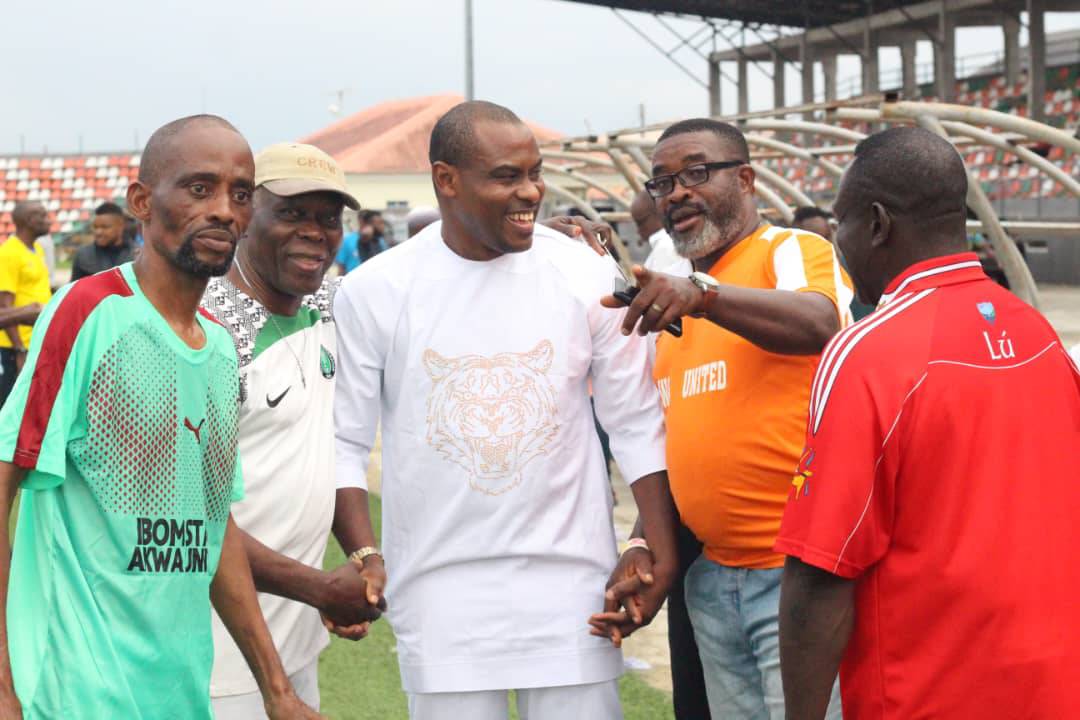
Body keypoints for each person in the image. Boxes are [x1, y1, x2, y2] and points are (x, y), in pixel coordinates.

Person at [333, 100, 678, 720]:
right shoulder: (375, 290)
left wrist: (654, 540)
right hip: (438, 593)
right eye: (505, 176)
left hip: (574, 591)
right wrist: (365, 556)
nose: (531, 192)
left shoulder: (584, 272)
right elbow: (346, 441)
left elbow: (635, 421)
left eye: (535, 172)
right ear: (446, 180)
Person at [0, 115, 320, 719]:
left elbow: (213, 526)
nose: (225, 210)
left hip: (176, 686)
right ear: (142, 202)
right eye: (200, 189)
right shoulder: (89, 312)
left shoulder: (222, 349)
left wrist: (277, 691)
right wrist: (3, 686)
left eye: (240, 193)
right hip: (74, 689)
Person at [775, 126, 1080, 720]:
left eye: (842, 223)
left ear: (878, 224)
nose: (838, 240)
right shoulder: (1040, 336)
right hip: (1054, 687)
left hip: (929, 695)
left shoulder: (867, 354)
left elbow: (820, 572)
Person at [600, 118, 849, 719]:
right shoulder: (675, 304)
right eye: (662, 183)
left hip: (796, 580)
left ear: (745, 178)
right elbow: (676, 443)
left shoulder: (787, 250)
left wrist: (706, 296)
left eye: (696, 172)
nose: (677, 192)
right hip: (711, 581)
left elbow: (820, 323)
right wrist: (641, 538)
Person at [202, 142, 385, 717]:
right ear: (245, 214)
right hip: (215, 647)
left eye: (328, 219)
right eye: (291, 213)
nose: (315, 232)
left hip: (296, 637)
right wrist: (318, 587)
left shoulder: (331, 305)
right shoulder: (207, 326)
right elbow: (194, 517)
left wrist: (361, 553)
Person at [0, 201, 52, 407]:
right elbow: (5, 306)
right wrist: (20, 350)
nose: (48, 220)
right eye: (42, 215)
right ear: (28, 221)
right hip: (15, 348)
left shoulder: (36, 249)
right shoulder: (10, 253)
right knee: (11, 407)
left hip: (36, 342)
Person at [794, 206, 873, 321]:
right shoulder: (789, 283)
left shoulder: (859, 272)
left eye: (826, 237)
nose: (824, 245)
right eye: (814, 240)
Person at [70, 202, 136, 281]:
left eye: (105, 227)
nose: (98, 232)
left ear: (121, 226)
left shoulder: (139, 255)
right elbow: (74, 290)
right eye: (95, 227)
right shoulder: (83, 255)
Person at [631, 189, 686, 274]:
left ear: (658, 212)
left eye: (640, 222)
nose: (638, 230)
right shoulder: (668, 244)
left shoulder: (665, 247)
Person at [334, 209, 387, 275]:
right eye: (379, 223)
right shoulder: (347, 241)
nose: (382, 226)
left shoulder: (380, 241)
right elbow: (341, 267)